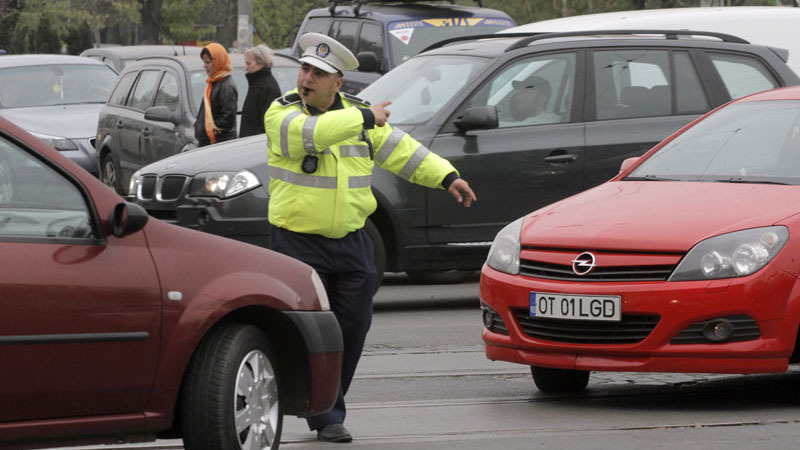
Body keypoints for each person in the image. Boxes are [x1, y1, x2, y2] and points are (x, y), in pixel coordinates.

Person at [264, 32, 477, 443]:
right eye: (305, 69)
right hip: (298, 244)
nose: (306, 78)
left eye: (318, 73)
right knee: (303, 334)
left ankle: (327, 406)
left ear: (337, 83)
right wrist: (365, 118)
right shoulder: (282, 113)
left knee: (353, 329)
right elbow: (314, 135)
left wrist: (446, 176)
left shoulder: (361, 115)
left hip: (352, 241)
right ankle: (320, 412)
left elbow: (403, 151)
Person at [194, 42, 238, 146]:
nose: (204, 66)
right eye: (204, 62)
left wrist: (206, 128)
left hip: (219, 145)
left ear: (218, 62)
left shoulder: (227, 87)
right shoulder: (213, 81)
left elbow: (227, 120)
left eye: (208, 62)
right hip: (209, 142)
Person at [240, 44, 281, 138]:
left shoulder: (268, 87)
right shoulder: (256, 83)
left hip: (255, 145)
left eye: (249, 63)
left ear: (261, 64)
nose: (246, 67)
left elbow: (266, 125)